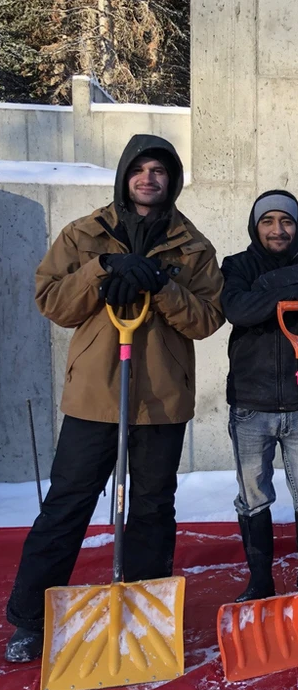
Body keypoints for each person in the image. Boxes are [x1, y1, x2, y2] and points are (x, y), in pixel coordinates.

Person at [4, 134, 225, 662]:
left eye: (160, 170)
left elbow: (208, 318)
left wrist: (162, 287)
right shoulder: (83, 234)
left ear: (171, 180)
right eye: (139, 169)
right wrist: (102, 270)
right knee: (66, 507)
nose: (149, 178)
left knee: (151, 508)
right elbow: (52, 301)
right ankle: (30, 619)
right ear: (125, 176)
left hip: (161, 399)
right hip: (93, 397)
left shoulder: (193, 246)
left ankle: (144, 612)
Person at [220, 189, 298, 601]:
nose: (278, 230)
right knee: (254, 494)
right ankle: (260, 580)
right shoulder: (237, 266)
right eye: (268, 221)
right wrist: (288, 293)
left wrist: (269, 290)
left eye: (287, 221)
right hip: (250, 406)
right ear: (255, 226)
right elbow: (239, 310)